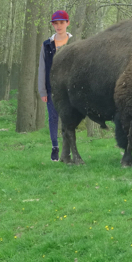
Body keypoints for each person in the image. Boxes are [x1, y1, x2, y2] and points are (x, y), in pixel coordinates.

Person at [38, 10, 73, 161]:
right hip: (52, 88)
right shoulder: (47, 45)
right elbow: (42, 68)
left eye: (61, 22)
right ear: (52, 25)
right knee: (53, 118)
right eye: (55, 23)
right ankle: (55, 147)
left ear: (67, 23)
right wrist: (42, 90)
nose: (59, 26)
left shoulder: (74, 43)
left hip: (70, 89)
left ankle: (69, 148)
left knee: (69, 118)